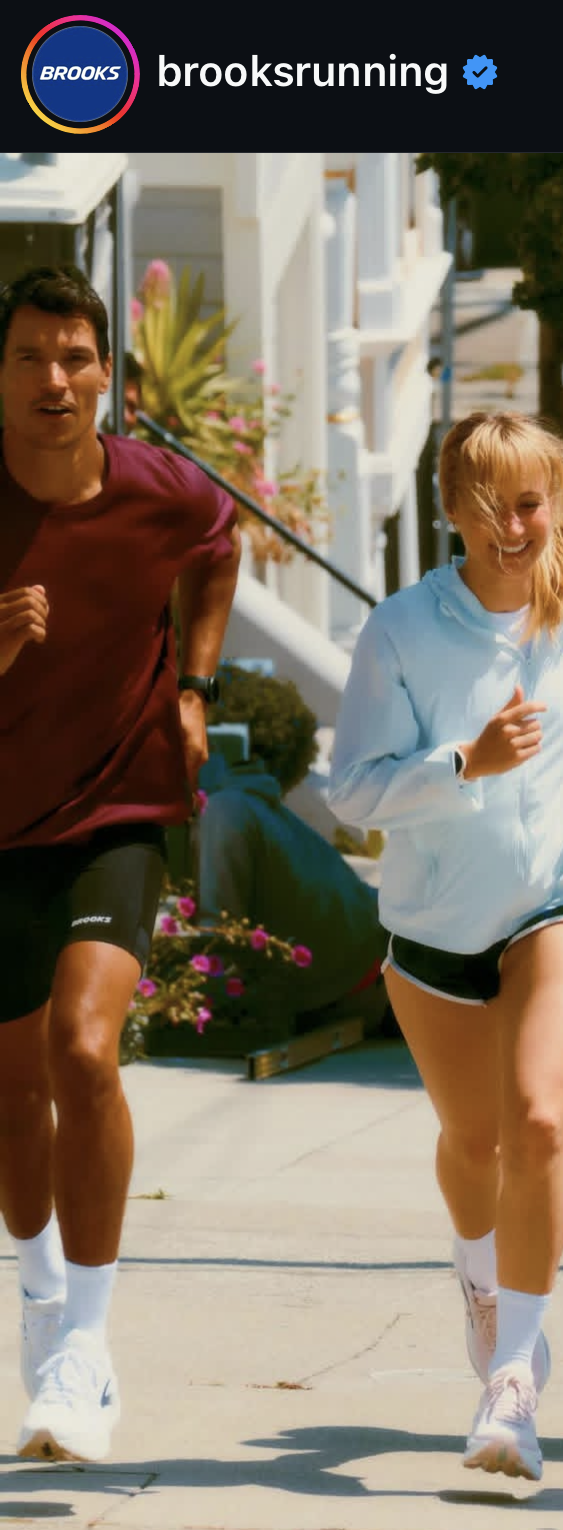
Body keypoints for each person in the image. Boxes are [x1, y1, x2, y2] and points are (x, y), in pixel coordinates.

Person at [328, 411, 563, 1484]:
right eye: (491, 507)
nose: (514, 527)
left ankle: (512, 1377)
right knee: (472, 1142)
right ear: (450, 510)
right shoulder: (400, 630)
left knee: (538, 1121)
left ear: (557, 503)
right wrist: (462, 764)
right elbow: (352, 791)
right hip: (436, 925)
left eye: (532, 503)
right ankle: (481, 1277)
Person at [0, 265, 240, 1462]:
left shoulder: (158, 489)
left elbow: (219, 542)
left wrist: (194, 685)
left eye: (75, 356)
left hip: (119, 807)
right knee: (11, 1094)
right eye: (30, 357)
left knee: (84, 1050)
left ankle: (87, 1344)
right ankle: (41, 1295)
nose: (54, 379)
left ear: (107, 374)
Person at [195, 715, 390, 1036]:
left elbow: (216, 940)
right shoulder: (249, 805)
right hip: (370, 953)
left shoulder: (225, 811)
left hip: (365, 981)